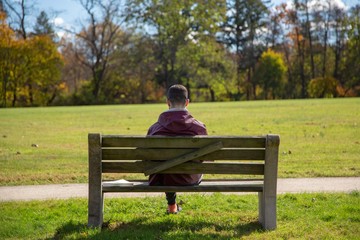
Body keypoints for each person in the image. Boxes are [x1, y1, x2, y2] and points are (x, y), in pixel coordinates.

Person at [147, 84, 207, 214]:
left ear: (168, 102)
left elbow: (149, 158)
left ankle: (171, 206)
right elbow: (203, 158)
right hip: (189, 178)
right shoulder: (199, 128)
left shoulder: (154, 129)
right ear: (187, 102)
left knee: (166, 167)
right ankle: (172, 207)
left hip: (161, 178)